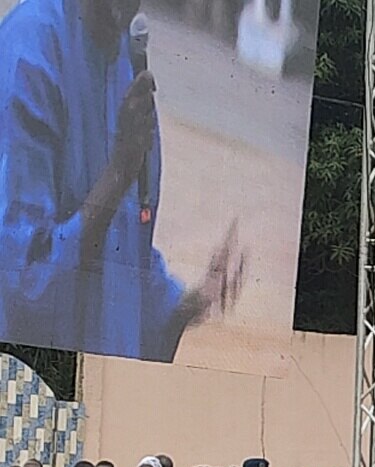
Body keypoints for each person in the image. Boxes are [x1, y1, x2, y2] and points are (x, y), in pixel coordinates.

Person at [0, 0, 245, 361]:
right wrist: (118, 173)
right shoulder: (30, 53)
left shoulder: (127, 57)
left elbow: (127, 247)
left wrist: (185, 306)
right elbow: (24, 278)